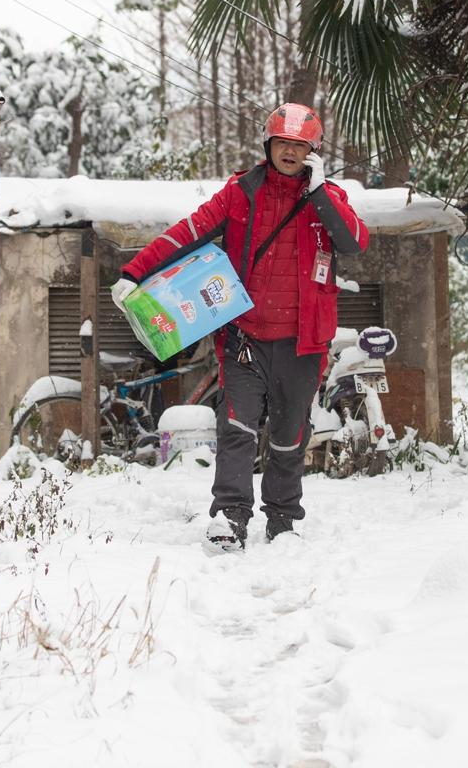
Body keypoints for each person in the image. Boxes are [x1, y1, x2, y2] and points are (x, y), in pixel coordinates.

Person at [111, 103, 369, 551]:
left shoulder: (328, 199)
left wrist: (321, 192)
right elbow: (188, 232)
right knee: (237, 427)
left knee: (291, 435)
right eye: (282, 143)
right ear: (268, 146)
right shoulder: (241, 192)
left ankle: (284, 519)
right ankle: (230, 516)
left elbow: (353, 241)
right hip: (244, 338)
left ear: (313, 151)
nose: (289, 152)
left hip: (303, 343)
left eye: (299, 145)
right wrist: (134, 272)